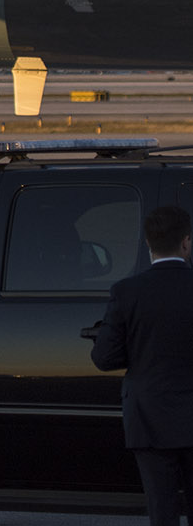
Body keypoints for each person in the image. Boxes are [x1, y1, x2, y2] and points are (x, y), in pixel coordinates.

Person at [90, 204, 193, 526]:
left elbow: (104, 358)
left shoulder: (126, 292)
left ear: (148, 244)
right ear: (186, 242)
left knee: (161, 511)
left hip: (148, 418)